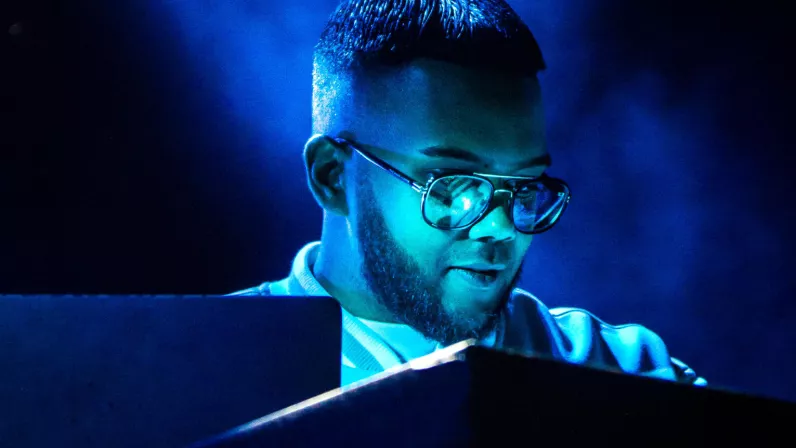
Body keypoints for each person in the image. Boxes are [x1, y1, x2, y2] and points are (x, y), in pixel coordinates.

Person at [231, 0, 706, 387]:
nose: (499, 227)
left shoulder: (622, 373)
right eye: (453, 186)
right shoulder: (211, 368)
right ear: (332, 176)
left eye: (523, 188)